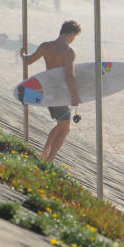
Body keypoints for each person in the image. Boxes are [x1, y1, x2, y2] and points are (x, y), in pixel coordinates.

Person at [19, 20, 82, 163]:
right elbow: (70, 75)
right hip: (60, 93)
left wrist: (23, 55)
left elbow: (28, 61)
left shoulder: (45, 46)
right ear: (71, 34)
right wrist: (75, 95)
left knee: (61, 124)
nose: (73, 40)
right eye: (74, 37)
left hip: (48, 91)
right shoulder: (69, 51)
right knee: (65, 128)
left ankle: (45, 152)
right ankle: (49, 160)